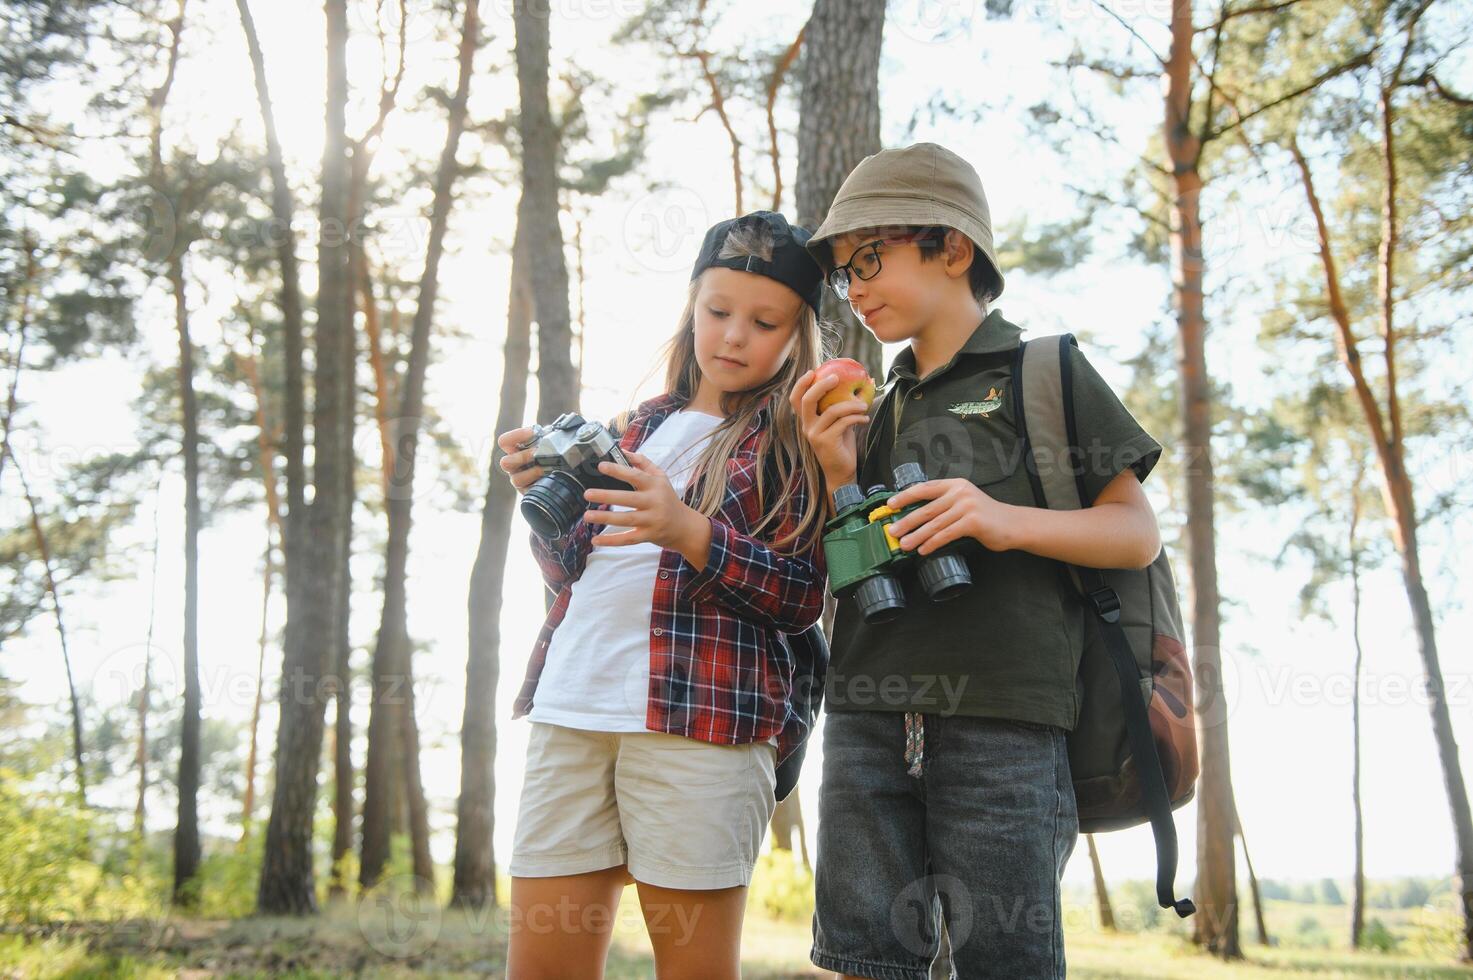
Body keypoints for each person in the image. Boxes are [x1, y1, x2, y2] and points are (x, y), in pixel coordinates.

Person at [792, 142, 1164, 979]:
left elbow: (1133, 533)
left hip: (1004, 719)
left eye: (868, 259)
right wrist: (840, 472)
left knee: (1004, 959)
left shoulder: (1043, 371)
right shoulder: (871, 408)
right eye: (842, 275)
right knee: (865, 960)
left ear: (951, 248)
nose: (852, 288)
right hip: (865, 713)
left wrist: (999, 519)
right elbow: (855, 565)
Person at [496, 210, 833, 980]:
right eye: (717, 312)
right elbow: (573, 574)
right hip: (571, 710)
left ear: (797, 333)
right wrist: (545, 508)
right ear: (692, 307)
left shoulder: (795, 438)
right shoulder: (635, 426)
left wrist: (689, 531)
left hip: (702, 727)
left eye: (763, 321)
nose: (733, 336)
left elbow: (801, 596)